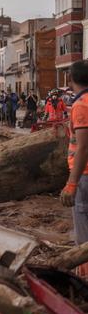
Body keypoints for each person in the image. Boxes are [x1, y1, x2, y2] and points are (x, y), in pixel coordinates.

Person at [61, 61, 88, 277]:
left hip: (85, 177)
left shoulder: (82, 105)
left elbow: (83, 148)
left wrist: (71, 183)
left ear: (71, 79)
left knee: (83, 234)